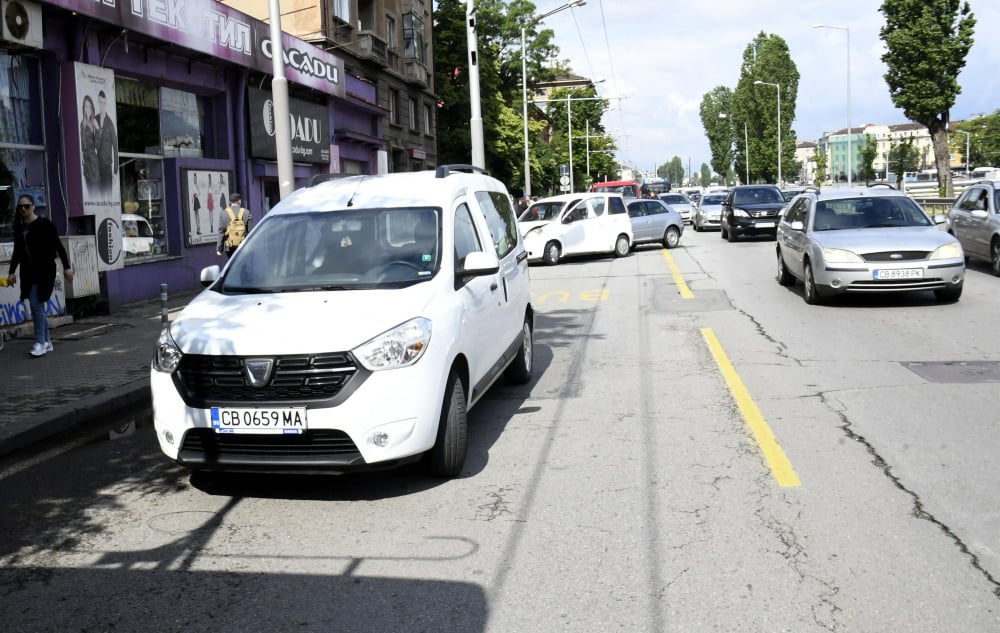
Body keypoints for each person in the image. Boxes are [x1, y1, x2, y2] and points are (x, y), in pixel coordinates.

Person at [6, 194, 74, 358]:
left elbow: (59, 246)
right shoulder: (21, 228)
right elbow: (17, 252)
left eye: (27, 206)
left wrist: (67, 268)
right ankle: (47, 341)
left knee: (36, 304)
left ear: (33, 207)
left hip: (45, 271)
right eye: (20, 207)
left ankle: (39, 343)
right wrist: (11, 272)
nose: (23, 209)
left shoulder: (45, 225)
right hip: (28, 272)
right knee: (38, 307)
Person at [96, 90, 118, 196]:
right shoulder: (94, 119)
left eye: (104, 102)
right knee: (99, 197)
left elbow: (115, 146)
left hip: (107, 168)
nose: (102, 105)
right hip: (96, 166)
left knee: (108, 199)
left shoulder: (110, 123)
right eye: (100, 102)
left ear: (106, 103)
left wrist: (115, 170)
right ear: (98, 102)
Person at [217, 192, 252, 258]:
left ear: (230, 202)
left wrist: (219, 249)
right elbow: (251, 231)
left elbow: (221, 232)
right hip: (243, 246)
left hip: (229, 247)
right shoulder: (246, 212)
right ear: (239, 201)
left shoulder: (223, 213)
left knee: (232, 264)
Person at [80, 95, 100, 192]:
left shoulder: (94, 123)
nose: (88, 109)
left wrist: (97, 129)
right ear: (83, 108)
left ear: (92, 108)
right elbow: (81, 145)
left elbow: (97, 146)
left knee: (95, 194)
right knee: (88, 194)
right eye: (86, 106)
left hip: (93, 164)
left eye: (89, 107)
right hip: (85, 165)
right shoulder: (82, 124)